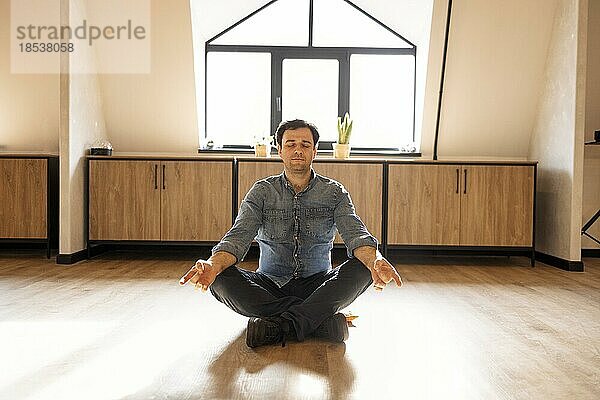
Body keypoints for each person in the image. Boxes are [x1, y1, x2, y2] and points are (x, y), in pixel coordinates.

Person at [180, 119, 402, 348]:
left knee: (362, 268)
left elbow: (356, 234)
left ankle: (279, 325)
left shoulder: (334, 192)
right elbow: (238, 237)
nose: (298, 150)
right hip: (269, 286)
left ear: (315, 151)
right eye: (290, 144)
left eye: (305, 144)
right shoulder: (262, 191)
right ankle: (317, 319)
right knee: (220, 277)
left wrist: (375, 261)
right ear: (280, 151)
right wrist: (212, 265)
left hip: (319, 285)